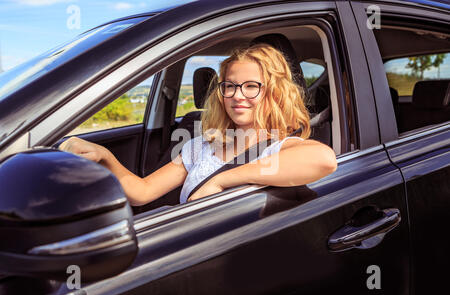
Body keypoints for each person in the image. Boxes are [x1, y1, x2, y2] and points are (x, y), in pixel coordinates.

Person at [59, 44, 337, 206]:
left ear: (273, 93)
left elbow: (323, 160)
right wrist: (105, 157)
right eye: (229, 86)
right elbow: (142, 193)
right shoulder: (200, 146)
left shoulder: (277, 148)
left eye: (251, 86)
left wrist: (221, 180)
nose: (237, 95)